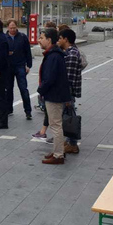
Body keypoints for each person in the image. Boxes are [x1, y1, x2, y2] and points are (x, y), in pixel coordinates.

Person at [37, 28, 71, 165]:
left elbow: (50, 78)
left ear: (49, 40)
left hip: (54, 95)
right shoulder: (54, 54)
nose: (39, 40)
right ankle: (58, 150)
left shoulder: (54, 56)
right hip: (54, 94)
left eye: (42, 37)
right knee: (55, 124)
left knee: (56, 125)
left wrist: (41, 89)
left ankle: (58, 155)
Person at [58, 28, 82, 155]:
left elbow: (69, 78)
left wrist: (67, 96)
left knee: (70, 117)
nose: (59, 40)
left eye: (60, 38)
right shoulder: (69, 52)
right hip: (67, 92)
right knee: (67, 116)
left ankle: (72, 144)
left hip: (68, 92)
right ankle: (69, 141)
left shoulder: (72, 54)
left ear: (66, 39)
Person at [5, 19, 33, 120]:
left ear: (17, 27)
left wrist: (28, 65)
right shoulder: (5, 37)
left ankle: (28, 111)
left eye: (14, 28)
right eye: (11, 28)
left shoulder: (22, 37)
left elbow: (28, 51)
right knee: (8, 89)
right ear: (8, 27)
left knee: (23, 89)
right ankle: (8, 109)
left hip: (20, 65)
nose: (12, 30)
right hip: (8, 67)